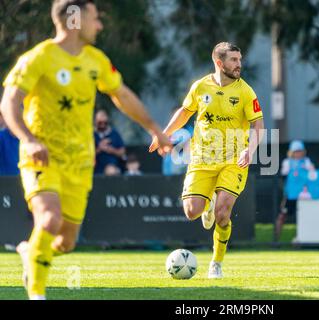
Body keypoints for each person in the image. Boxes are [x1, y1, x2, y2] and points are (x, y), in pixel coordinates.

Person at [0, 0, 171, 300]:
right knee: (49, 218)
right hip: (42, 157)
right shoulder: (38, 58)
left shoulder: (96, 60)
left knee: (66, 242)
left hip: (79, 163)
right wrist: (28, 139)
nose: (100, 25)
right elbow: (9, 102)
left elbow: (122, 94)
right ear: (75, 20)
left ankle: (32, 253)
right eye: (95, 19)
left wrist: (154, 128)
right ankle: (37, 293)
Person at [149, 42, 264, 279]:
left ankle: (216, 263)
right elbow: (184, 111)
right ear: (219, 63)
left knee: (223, 213)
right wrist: (164, 134)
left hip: (234, 160)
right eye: (233, 60)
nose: (239, 64)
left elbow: (258, 124)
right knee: (191, 212)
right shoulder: (201, 87)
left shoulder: (246, 91)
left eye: (240, 59)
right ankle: (207, 202)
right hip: (202, 160)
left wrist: (249, 150)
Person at [275, 140, 315, 243]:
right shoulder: (287, 162)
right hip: (290, 195)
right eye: (295, 151)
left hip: (304, 195)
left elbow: (312, 172)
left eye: (300, 151)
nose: (298, 153)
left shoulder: (306, 161)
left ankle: (301, 240)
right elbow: (284, 175)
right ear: (291, 152)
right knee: (281, 216)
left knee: (303, 218)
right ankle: (276, 241)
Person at [162, 107, 194, 176]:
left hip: (188, 165)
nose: (178, 118)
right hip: (172, 168)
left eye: (180, 115)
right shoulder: (168, 131)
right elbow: (165, 149)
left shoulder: (190, 130)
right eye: (176, 115)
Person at [94, 109, 126, 174]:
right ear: (95, 121)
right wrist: (100, 148)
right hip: (96, 168)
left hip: (113, 167)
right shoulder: (92, 135)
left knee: (111, 170)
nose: (102, 124)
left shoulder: (114, 134)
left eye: (104, 122)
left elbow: (122, 152)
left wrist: (110, 150)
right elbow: (87, 155)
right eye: (100, 122)